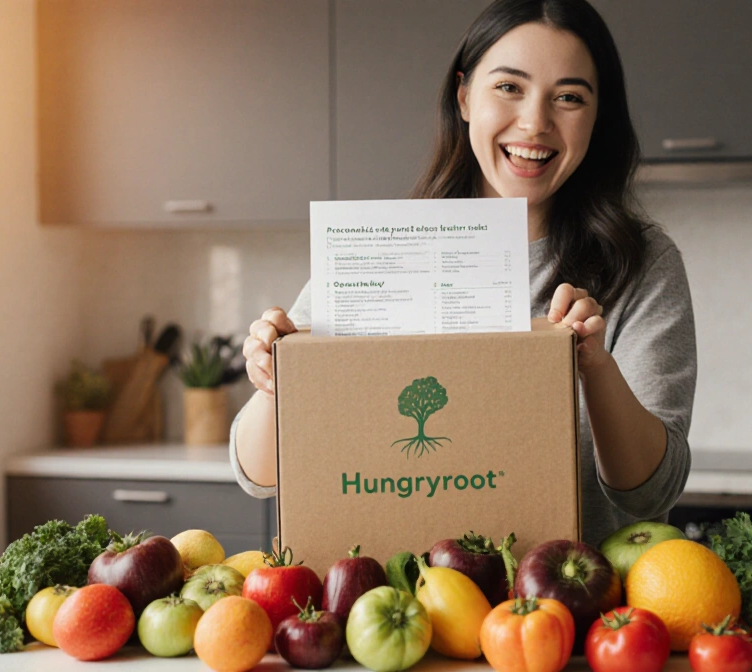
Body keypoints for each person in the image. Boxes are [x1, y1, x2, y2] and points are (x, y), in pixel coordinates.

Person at [231, 0, 695, 547]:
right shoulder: (382, 249)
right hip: (406, 613)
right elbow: (257, 475)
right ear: (464, 97)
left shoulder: (641, 263)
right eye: (509, 87)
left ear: (597, 116)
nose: (535, 123)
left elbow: (650, 492)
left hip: (573, 616)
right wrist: (275, 378)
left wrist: (596, 368)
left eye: (568, 97)